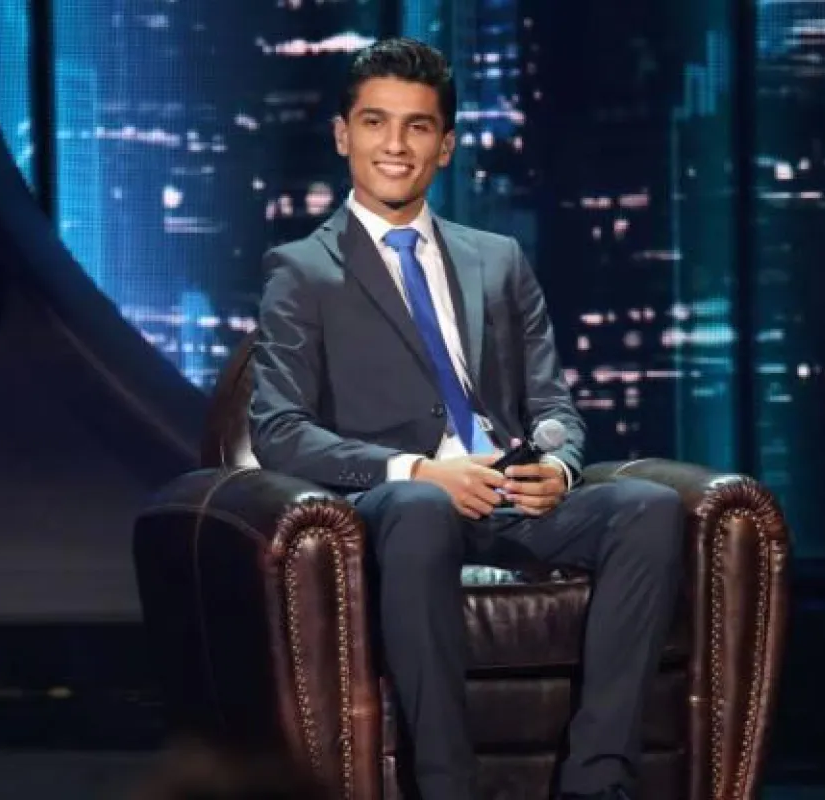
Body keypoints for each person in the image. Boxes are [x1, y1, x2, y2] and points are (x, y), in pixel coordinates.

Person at [249, 37, 684, 800]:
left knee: (649, 508)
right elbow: (279, 428)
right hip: (395, 507)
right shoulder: (302, 270)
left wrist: (558, 469)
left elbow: (552, 405)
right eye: (375, 122)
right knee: (421, 510)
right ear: (343, 135)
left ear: (444, 147)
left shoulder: (499, 259)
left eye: (417, 126)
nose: (395, 144)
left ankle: (597, 781)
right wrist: (417, 471)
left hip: (509, 496)